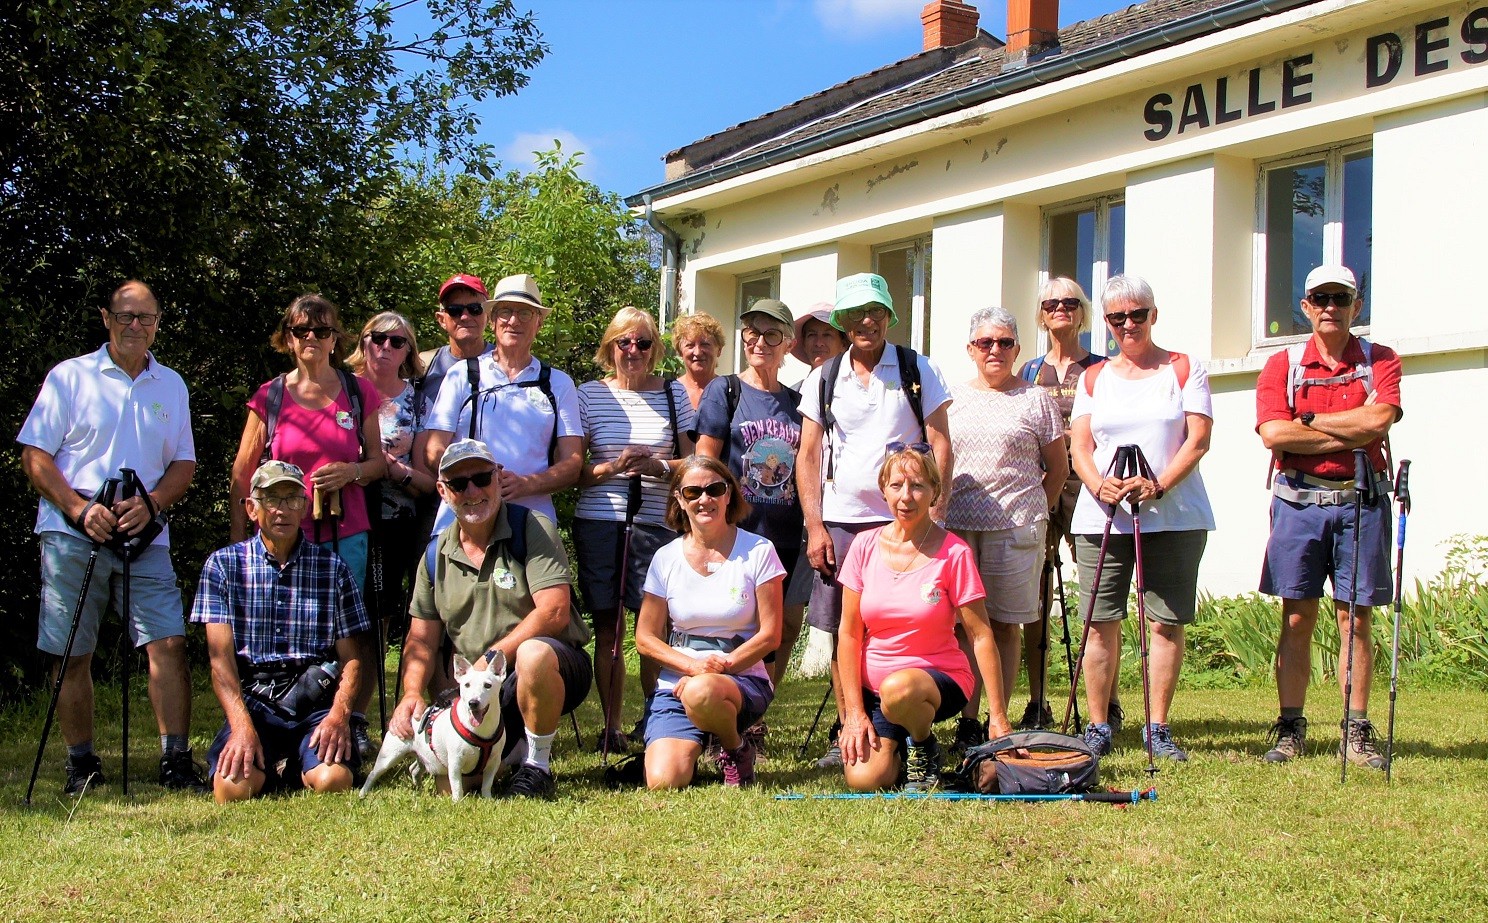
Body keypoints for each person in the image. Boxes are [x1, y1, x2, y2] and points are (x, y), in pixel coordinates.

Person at [17, 280, 205, 793]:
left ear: (158, 322)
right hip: (73, 529)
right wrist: (79, 510)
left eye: (145, 317)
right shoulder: (70, 376)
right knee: (70, 651)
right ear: (106, 317)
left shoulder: (172, 384)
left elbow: (183, 464)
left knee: (167, 640)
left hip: (144, 532)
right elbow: (35, 455)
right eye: (125, 315)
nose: (135, 326)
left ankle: (175, 761)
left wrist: (153, 505)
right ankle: (82, 763)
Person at [796, 273, 953, 769]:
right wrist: (815, 526)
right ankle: (850, 726)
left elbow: (941, 441)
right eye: (855, 313)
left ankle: (908, 721)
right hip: (842, 521)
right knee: (845, 628)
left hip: (906, 518)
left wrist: (936, 508)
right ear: (840, 322)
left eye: (876, 311)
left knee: (907, 624)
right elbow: (807, 456)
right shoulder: (822, 377)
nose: (867, 321)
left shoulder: (915, 367)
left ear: (889, 316)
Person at [1256, 264, 1401, 768]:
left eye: (1340, 298)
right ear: (1306, 306)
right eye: (1320, 299)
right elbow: (1274, 434)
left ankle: (1356, 730)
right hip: (1298, 501)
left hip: (1361, 500)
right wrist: (1351, 429)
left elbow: (1380, 419)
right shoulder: (1284, 364)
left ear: (1356, 306)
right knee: (1296, 617)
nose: (1330, 308)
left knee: (1355, 620)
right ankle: (1291, 725)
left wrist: (1309, 422)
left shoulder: (1379, 359)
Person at [228, 293, 386, 758]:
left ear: (337, 338)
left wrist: (350, 471)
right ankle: (281, 720)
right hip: (283, 532)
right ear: (288, 339)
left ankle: (347, 721)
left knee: (349, 630)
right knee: (289, 628)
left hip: (346, 528)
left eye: (322, 330)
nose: (312, 338)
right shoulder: (270, 395)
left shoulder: (359, 392)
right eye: (302, 331)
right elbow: (243, 472)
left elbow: (378, 463)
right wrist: (241, 540)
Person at [394, 440, 594, 799]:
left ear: (498, 477)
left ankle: (537, 766)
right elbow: (421, 639)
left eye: (482, 478)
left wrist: (490, 657)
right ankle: (509, 750)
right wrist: (411, 693)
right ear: (442, 491)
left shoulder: (532, 526)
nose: (472, 491)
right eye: (458, 484)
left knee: (532, 653)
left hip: (551, 666)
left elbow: (554, 610)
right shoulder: (434, 555)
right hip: (482, 688)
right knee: (452, 787)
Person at [1069, 275, 1214, 761]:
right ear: (1106, 323)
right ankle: (1098, 725)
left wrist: (1158, 485)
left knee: (1165, 623)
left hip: (1173, 515)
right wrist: (1097, 483)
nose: (1128, 324)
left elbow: (1198, 439)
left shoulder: (1183, 369)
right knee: (1098, 622)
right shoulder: (1094, 378)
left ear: (1154, 314)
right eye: (1117, 317)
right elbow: (1080, 446)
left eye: (1138, 314)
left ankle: (1158, 727)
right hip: (1103, 516)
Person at [194, 461, 372, 803]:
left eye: (292, 498)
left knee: (333, 781)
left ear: (305, 506)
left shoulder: (332, 568)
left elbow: (353, 660)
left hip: (314, 700)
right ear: (252, 508)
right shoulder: (222, 565)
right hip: (255, 701)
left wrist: (339, 717)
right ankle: (267, 767)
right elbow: (220, 661)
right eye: (271, 498)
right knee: (232, 790)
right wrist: (242, 727)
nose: (282, 509)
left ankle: (295, 770)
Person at [836, 447, 1012, 792]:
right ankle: (897, 750)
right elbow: (848, 635)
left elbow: (980, 636)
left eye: (917, 485)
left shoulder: (954, 552)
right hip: (875, 691)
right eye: (896, 485)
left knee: (899, 688)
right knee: (865, 780)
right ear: (883, 488)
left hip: (936, 681)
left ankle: (923, 744)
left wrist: (999, 717)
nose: (906, 496)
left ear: (935, 491)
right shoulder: (863, 546)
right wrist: (854, 714)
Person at [945, 307, 1067, 754]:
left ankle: (996, 715)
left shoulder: (1036, 399)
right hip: (956, 529)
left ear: (1017, 348)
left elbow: (1058, 469)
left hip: (1015, 527)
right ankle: (967, 720)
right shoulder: (951, 397)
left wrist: (1036, 512)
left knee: (1005, 626)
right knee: (962, 626)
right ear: (971, 349)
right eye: (985, 342)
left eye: (1004, 342)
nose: (994, 350)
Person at [576, 307, 696, 753]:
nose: (633, 351)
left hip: (654, 525)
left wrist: (657, 465)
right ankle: (610, 725)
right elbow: (574, 471)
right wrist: (614, 466)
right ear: (610, 347)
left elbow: (693, 463)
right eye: (624, 342)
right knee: (608, 628)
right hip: (599, 521)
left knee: (653, 629)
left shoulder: (672, 393)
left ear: (654, 350)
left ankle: (656, 720)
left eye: (643, 343)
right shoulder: (588, 394)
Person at [634, 457, 784, 788]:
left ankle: (735, 748)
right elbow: (645, 637)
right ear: (679, 499)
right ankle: (693, 740)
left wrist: (718, 669)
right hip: (680, 680)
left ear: (729, 494)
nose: (705, 499)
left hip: (741, 678)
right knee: (664, 781)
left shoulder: (759, 550)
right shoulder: (665, 558)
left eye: (714, 489)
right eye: (693, 492)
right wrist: (693, 667)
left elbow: (771, 635)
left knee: (703, 692)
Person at [694, 299, 803, 689]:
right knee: (740, 623)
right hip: (740, 531)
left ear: (788, 343)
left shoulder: (797, 403)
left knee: (782, 626)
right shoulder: (725, 389)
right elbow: (705, 458)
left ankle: (760, 707)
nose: (760, 341)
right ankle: (729, 700)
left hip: (787, 533)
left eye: (771, 333)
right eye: (752, 332)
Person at [418, 274, 582, 531]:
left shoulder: (558, 384)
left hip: (532, 525)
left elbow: (572, 463)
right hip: (463, 521)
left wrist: (527, 484)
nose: (513, 320)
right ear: (492, 320)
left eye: (525, 313)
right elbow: (433, 451)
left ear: (539, 323)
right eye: (505, 311)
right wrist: (474, 483)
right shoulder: (462, 374)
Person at [1017, 277, 1108, 731]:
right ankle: (1038, 700)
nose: (1060, 309)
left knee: (1098, 596)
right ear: (1041, 312)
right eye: (1051, 303)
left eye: (1070, 302)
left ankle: (1102, 702)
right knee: (1035, 597)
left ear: (1082, 311)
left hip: (1089, 488)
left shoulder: (1100, 369)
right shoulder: (1029, 371)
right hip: (1038, 487)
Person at [345, 311, 435, 640]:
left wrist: (391, 468)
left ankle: (365, 689)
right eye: (377, 338)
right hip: (341, 516)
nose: (386, 346)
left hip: (394, 524)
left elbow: (428, 483)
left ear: (408, 352)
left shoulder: (419, 403)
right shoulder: (339, 389)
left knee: (378, 617)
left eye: (397, 341)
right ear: (363, 343)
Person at [417, 273, 495, 421]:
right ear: (441, 320)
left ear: (488, 315)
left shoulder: (506, 365)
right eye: (455, 310)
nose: (465, 317)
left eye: (475, 309)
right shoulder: (423, 366)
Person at [672, 311, 725, 410]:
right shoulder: (671, 393)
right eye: (690, 345)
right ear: (680, 352)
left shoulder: (729, 393)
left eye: (705, 344)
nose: (697, 352)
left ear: (719, 350)